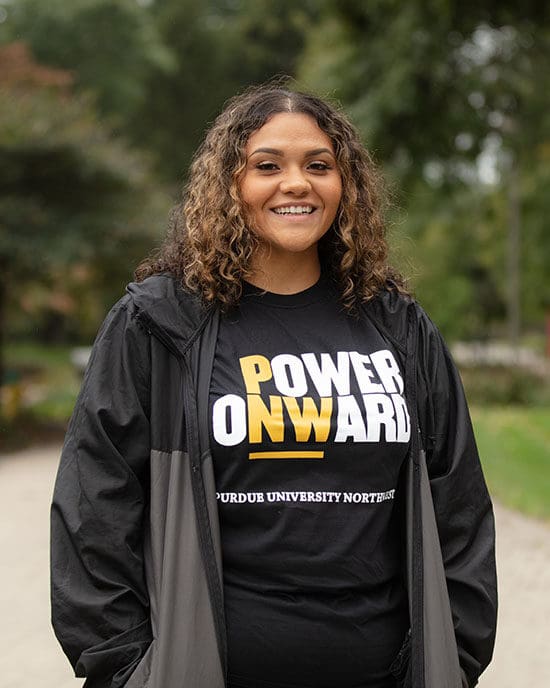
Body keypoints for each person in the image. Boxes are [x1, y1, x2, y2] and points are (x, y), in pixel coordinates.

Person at [51, 84, 497, 688]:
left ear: (347, 186)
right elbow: (94, 506)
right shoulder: (160, 324)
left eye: (319, 165)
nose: (297, 183)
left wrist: (458, 658)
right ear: (230, 185)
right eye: (268, 166)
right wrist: (126, 668)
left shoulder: (396, 325)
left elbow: (459, 503)